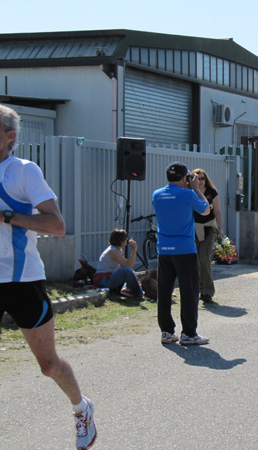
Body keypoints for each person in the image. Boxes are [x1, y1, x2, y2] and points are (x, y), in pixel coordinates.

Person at [0, 104, 96, 449]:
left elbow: (56, 226)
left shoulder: (23, 171)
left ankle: (81, 408)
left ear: (9, 136)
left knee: (48, 364)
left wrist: (6, 216)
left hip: (21, 279)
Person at [152, 162, 211, 345]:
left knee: (164, 291)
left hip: (164, 249)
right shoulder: (187, 194)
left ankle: (167, 332)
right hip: (184, 249)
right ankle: (189, 333)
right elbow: (205, 209)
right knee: (189, 291)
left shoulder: (157, 195)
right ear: (185, 178)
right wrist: (195, 189)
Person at [191, 168, 223, 305]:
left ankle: (208, 291)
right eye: (198, 178)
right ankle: (199, 290)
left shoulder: (211, 193)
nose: (201, 181)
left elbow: (217, 212)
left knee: (204, 257)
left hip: (209, 227)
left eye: (203, 178)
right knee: (195, 260)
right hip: (192, 229)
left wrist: (220, 229)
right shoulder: (189, 193)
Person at [93, 228, 144, 297]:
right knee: (127, 271)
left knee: (131, 271)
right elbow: (128, 266)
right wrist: (134, 250)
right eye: (125, 238)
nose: (127, 240)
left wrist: (134, 250)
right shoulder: (113, 251)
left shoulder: (118, 250)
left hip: (109, 277)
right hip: (104, 280)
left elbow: (128, 265)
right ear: (120, 240)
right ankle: (139, 293)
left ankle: (128, 290)